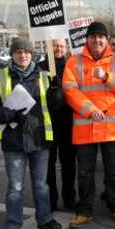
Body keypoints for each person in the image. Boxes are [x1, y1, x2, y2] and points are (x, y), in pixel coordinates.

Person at [0, 37, 63, 229]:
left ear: (32, 53)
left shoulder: (45, 75)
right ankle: (13, 225)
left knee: (41, 185)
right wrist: (9, 115)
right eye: (18, 52)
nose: (23, 55)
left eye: (27, 52)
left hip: (39, 137)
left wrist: (56, 92)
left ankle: (45, 218)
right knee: (15, 187)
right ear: (12, 54)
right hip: (13, 139)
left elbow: (55, 108)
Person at [62, 22, 115, 227]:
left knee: (113, 171)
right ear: (87, 39)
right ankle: (84, 210)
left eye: (101, 36)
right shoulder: (74, 61)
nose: (97, 40)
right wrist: (89, 109)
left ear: (106, 39)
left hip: (110, 128)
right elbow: (69, 90)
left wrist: (107, 77)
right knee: (85, 172)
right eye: (93, 36)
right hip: (85, 124)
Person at [38, 38, 77, 211]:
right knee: (48, 166)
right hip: (46, 124)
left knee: (68, 165)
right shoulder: (38, 67)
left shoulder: (72, 66)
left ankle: (69, 199)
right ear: (48, 46)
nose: (58, 49)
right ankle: (51, 201)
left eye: (62, 46)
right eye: (55, 45)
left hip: (68, 123)